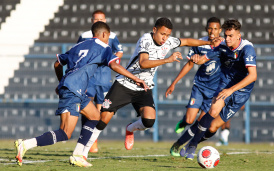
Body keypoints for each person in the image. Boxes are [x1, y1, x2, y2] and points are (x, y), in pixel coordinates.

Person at [75, 17, 221, 158]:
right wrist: (167, 60)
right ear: (154, 30)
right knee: (103, 119)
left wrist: (209, 42)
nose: (165, 38)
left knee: (149, 120)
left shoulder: (169, 41)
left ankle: (130, 129)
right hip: (126, 83)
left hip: (143, 87)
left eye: (167, 35)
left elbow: (187, 41)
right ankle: (84, 152)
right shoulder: (145, 40)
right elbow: (143, 63)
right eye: (162, 34)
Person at [14, 22, 148, 167]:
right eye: (108, 37)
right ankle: (25, 144)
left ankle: (78, 154)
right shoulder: (104, 47)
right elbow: (114, 65)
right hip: (74, 89)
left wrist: (61, 83)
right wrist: (135, 78)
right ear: (104, 34)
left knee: (95, 116)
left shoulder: (78, 46)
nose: (108, 40)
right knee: (65, 133)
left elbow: (57, 64)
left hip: (74, 88)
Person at [182, 19, 257, 160]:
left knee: (212, 128)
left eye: (230, 36)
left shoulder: (247, 49)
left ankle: (194, 142)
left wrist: (232, 90)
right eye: (226, 35)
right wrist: (197, 58)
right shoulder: (223, 46)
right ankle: (192, 145)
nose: (227, 39)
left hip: (241, 92)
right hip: (225, 85)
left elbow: (253, 76)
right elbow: (204, 59)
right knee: (213, 110)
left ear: (238, 36)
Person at [166, 17, 223, 156]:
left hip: (214, 92)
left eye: (215, 29)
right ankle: (184, 121)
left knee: (200, 123)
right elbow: (190, 64)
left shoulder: (225, 45)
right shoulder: (200, 44)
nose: (212, 31)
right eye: (210, 28)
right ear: (206, 29)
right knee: (190, 120)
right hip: (200, 86)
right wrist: (174, 83)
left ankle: (180, 145)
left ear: (220, 30)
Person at [77, 10, 123, 153]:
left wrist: (112, 58)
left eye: (101, 19)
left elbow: (119, 51)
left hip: (103, 79)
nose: (99, 21)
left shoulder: (111, 36)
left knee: (100, 111)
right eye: (96, 19)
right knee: (86, 109)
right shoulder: (84, 36)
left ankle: (92, 140)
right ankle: (85, 140)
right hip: (89, 78)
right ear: (92, 21)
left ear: (105, 20)